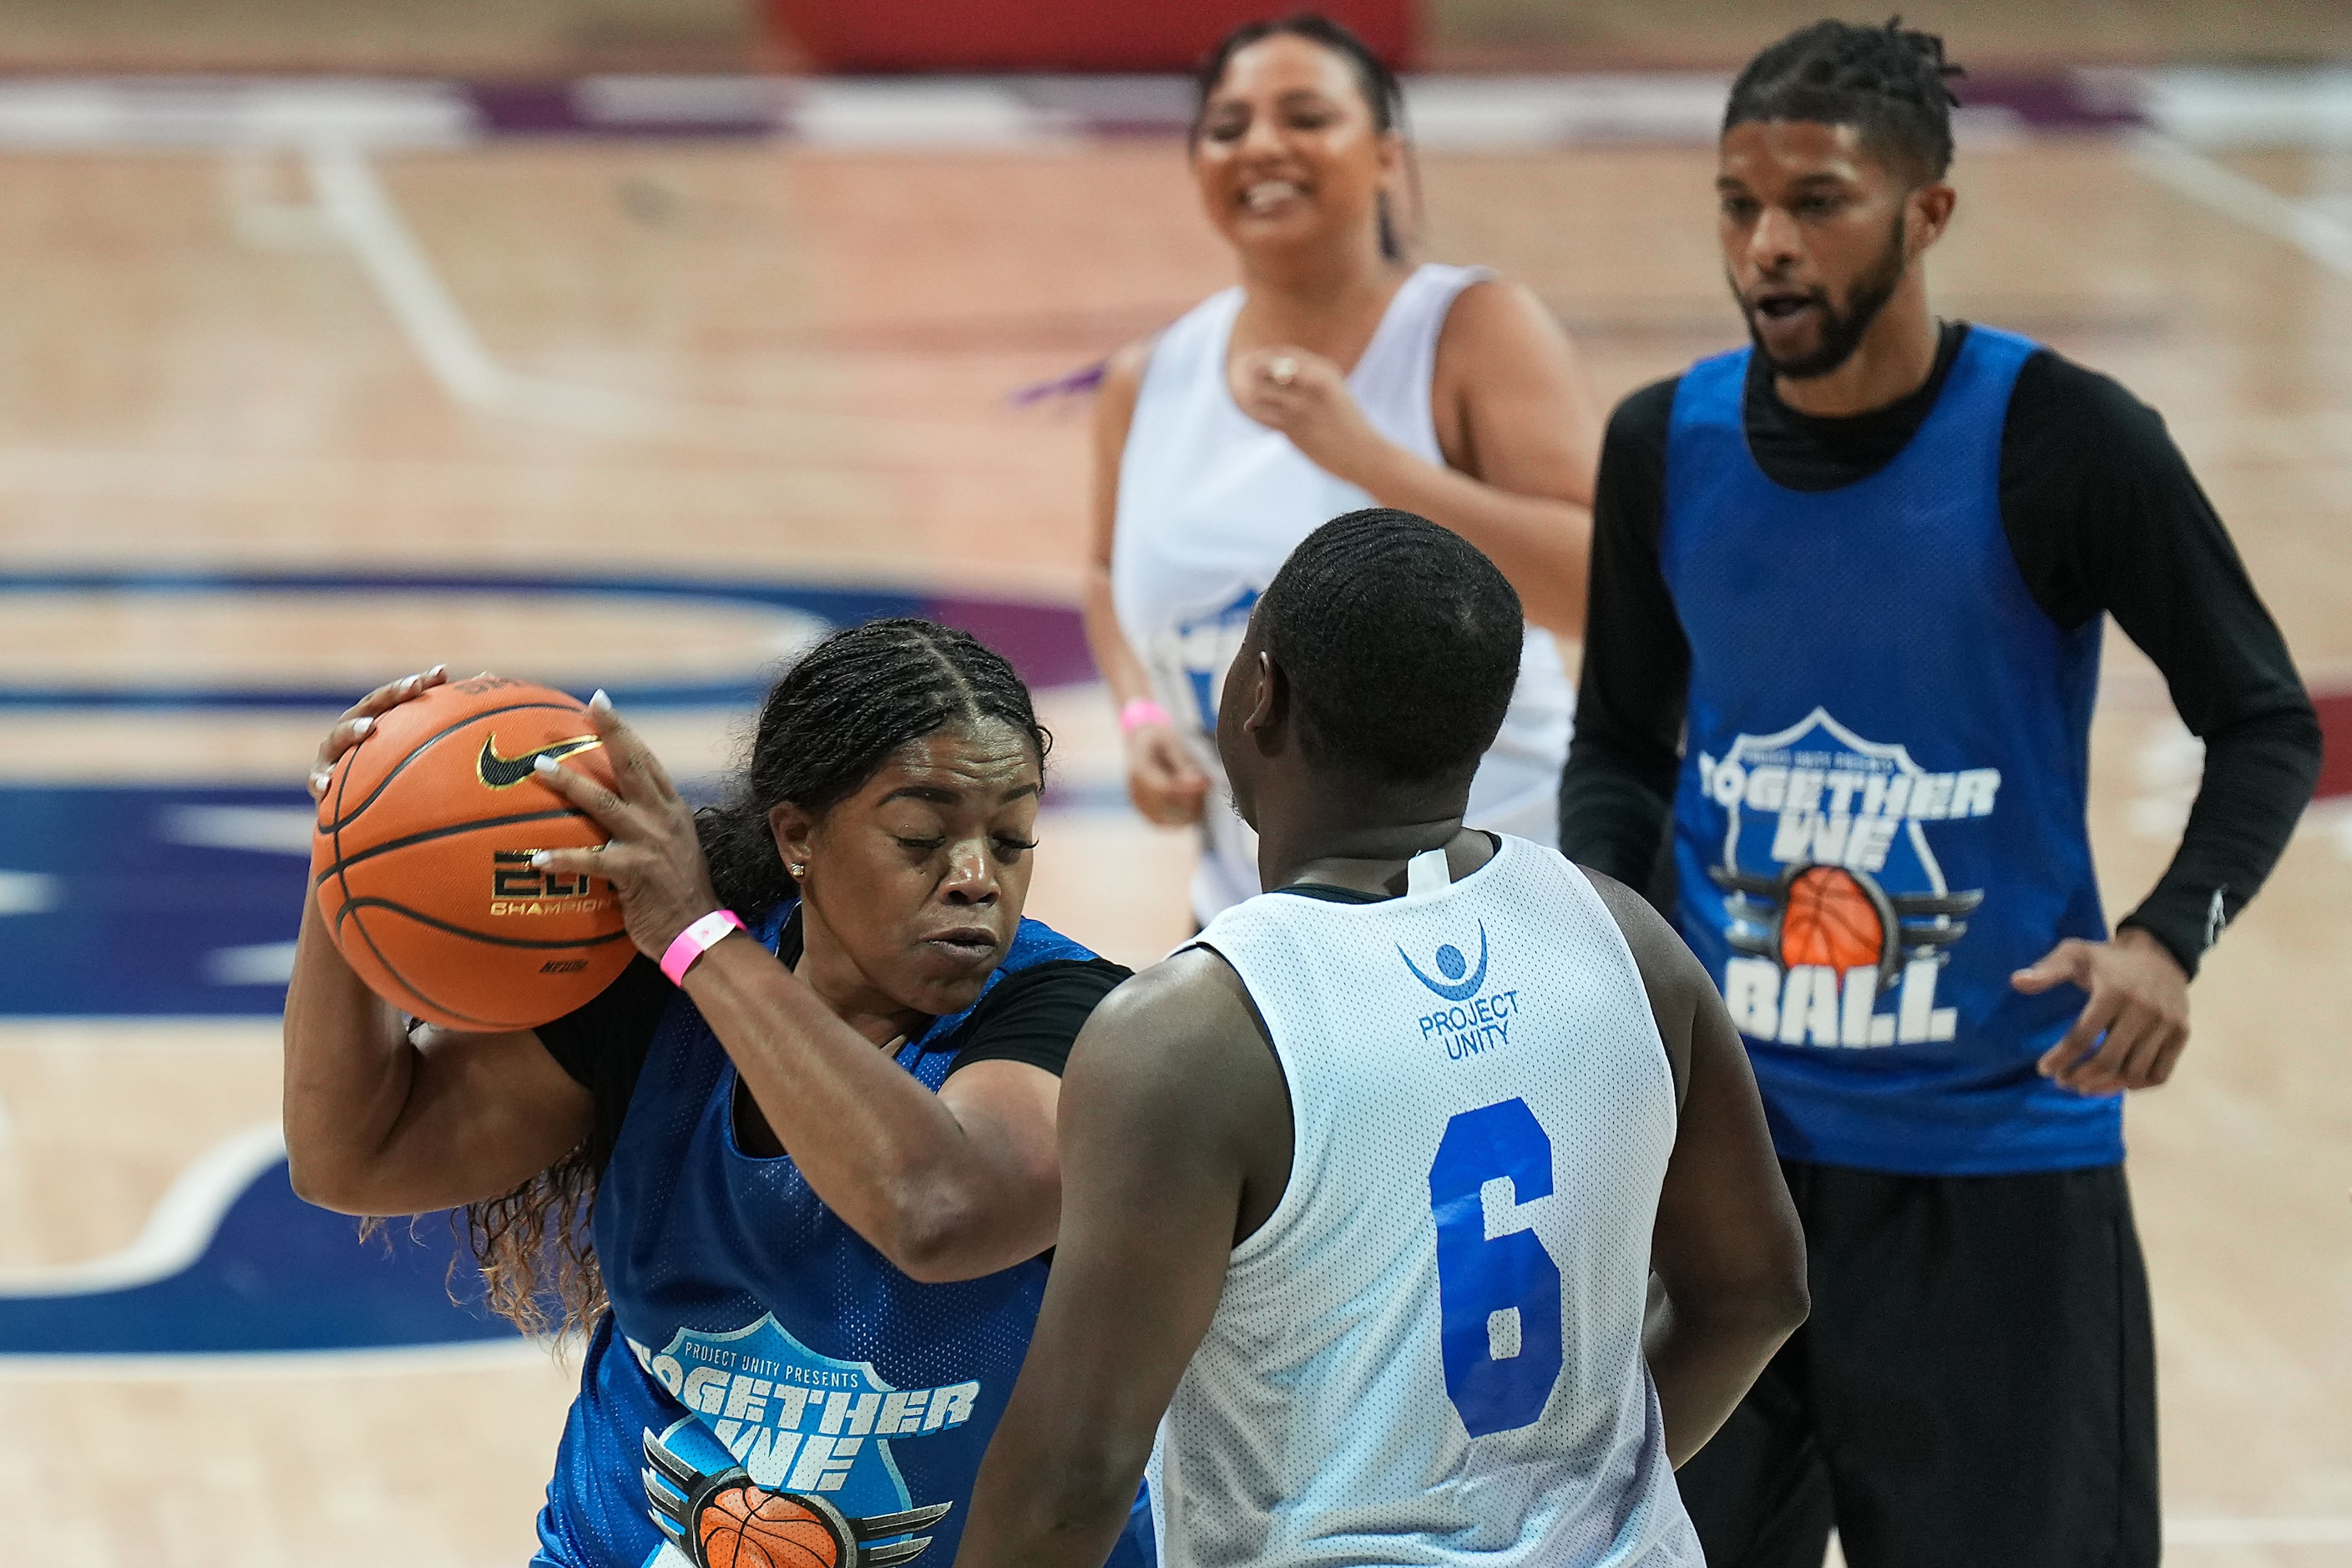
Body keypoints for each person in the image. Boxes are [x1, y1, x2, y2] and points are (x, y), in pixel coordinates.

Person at [1557, 22, 2324, 1567]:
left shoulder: (2064, 441)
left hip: (1996, 1177)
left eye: (1817, 202)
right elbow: (1623, 748)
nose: (1766, 246)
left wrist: (2168, 936)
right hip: (1727, 1171)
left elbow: (2260, 719)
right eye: (1737, 204)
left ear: (1927, 214)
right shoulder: (1665, 444)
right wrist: (1613, 957)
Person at [953, 510, 1810, 1568]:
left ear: (1260, 692)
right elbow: (1760, 1291)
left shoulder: (1193, 1035)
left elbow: (1069, 1485)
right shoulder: (1622, 936)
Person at [282, 620, 1154, 1568]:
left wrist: (696, 935)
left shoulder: (1077, 1017)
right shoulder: (664, 994)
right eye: (923, 837)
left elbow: (941, 1211)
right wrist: (357, 852)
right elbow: (354, 1156)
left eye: (1012, 838)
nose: (977, 880)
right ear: (797, 837)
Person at [1087, 12, 1605, 926]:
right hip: (1260, 923)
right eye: (1227, 126)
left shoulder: (1471, 329)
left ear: (1384, 155)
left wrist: (1370, 462)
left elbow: (1604, 585)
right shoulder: (1148, 377)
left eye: (1306, 117)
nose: (1263, 147)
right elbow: (1102, 576)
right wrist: (1140, 722)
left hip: (1496, 909)